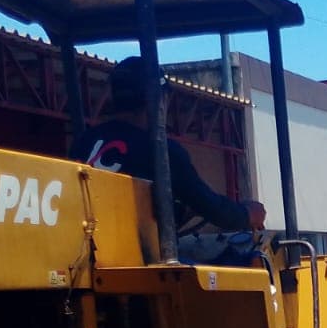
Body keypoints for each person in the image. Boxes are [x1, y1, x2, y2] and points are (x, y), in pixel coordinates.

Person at [73, 57, 264, 233]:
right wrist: (247, 214)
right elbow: (212, 208)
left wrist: (186, 209)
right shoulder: (160, 151)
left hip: (87, 246)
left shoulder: (83, 142)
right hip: (133, 253)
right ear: (158, 99)